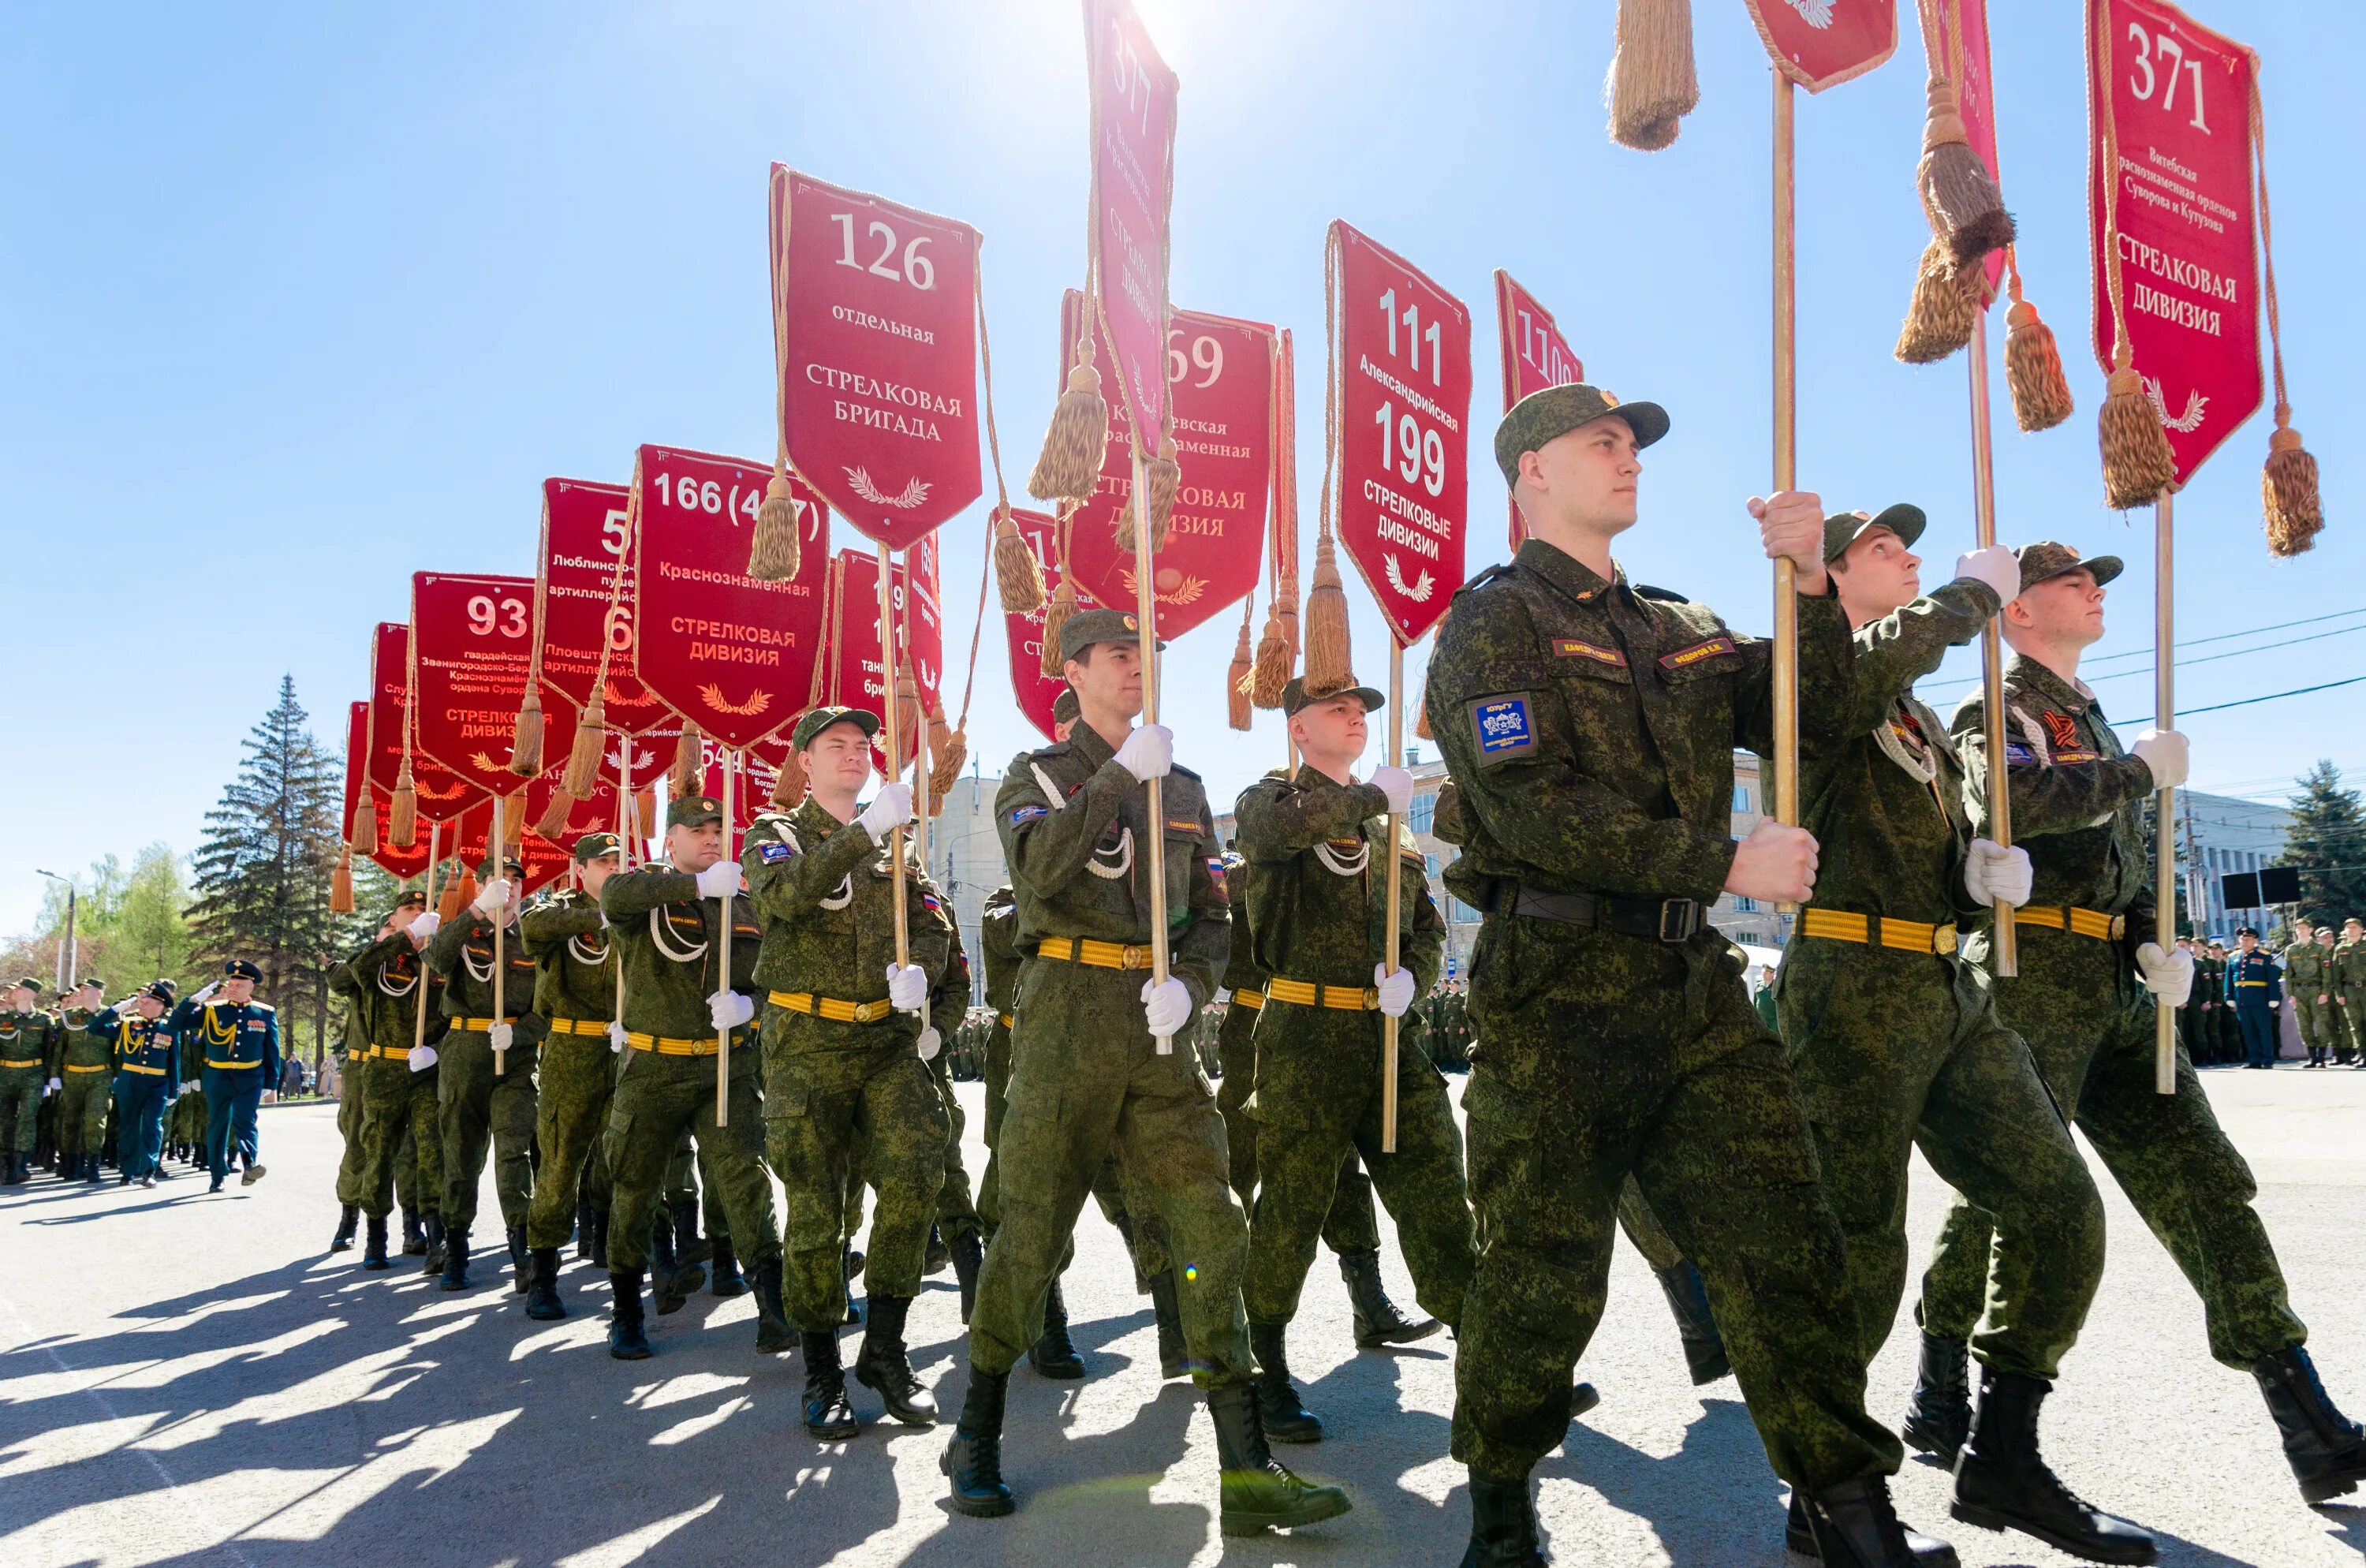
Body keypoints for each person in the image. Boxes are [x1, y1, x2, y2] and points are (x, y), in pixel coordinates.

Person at [1426, 382, 1945, 1567]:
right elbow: (1533, 809)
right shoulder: (1493, 623)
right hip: (1557, 985)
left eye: (1635, 446)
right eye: (1600, 443)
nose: (1628, 460)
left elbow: (1816, 711)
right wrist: (1727, 858)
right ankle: (1501, 1509)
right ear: (1531, 477)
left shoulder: (1682, 624)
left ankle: (1846, 1514)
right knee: (1540, 1268)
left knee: (1788, 1239)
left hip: (1689, 985)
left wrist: (1811, 583)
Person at [1911, 543, 2366, 1508]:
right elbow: (2013, 803)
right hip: (2032, 971)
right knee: (2011, 1197)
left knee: (2206, 1180)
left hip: (2118, 976)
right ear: (2021, 609)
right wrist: (2132, 771)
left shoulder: (2091, 712)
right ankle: (1945, 1381)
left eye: (2100, 580)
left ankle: (2306, 1412)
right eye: (2072, 580)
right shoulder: (1995, 704)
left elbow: (2135, 857)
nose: (2095, 591)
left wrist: (2160, 936)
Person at [1782, 507, 2143, 1559]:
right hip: (1851, 982)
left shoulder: (1922, 720)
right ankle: (1829, 1495)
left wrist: (1981, 882)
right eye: (1886, 551)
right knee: (1860, 1250)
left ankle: (2004, 1457)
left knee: (2059, 1207)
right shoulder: (1815, 673)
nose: (1911, 560)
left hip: (1946, 981)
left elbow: (1936, 834)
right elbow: (1844, 683)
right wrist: (1974, 598)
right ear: (1835, 573)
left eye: (1914, 551)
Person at [942, 607, 1350, 1537]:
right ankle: (977, 1429)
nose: (1140, 668)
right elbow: (1041, 868)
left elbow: (1212, 911)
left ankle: (1246, 1468)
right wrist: (1123, 775)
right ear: (1075, 670)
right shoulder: (1034, 775)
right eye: (1121, 655)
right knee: (1033, 1223)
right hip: (1065, 1018)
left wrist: (1197, 979)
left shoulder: (1189, 785)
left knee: (1210, 1218)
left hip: (1158, 1028)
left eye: (1149, 655)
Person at [1231, 675, 1474, 1443]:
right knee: (1291, 1212)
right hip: (1306, 1043)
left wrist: (1416, 976)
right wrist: (1374, 796)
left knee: (1439, 1198)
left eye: (1363, 710)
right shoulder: (1270, 801)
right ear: (1298, 727)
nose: (1356, 718)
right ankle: (1263, 1370)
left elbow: (1428, 925)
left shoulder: (1389, 830)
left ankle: (1497, 1369)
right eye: (1337, 708)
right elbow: (1276, 834)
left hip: (1390, 1044)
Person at [741, 705, 953, 1436]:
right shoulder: (773, 836)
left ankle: (886, 1349)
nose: (855, 754)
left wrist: (919, 974)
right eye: (837, 745)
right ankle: (821, 1368)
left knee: (919, 1171)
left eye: (864, 745)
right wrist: (864, 831)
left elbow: (931, 922)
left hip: (884, 1041)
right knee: (817, 1207)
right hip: (806, 1043)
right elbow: (786, 896)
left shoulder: (896, 841)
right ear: (804, 760)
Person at [596, 793, 789, 1361]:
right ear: (671, 839)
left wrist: (752, 1005)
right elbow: (613, 895)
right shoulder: (647, 895)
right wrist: (695, 887)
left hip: (723, 1066)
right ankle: (627, 1308)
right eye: (697, 830)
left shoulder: (747, 904)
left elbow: (776, 974)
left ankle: (772, 1303)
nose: (710, 839)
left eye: (718, 830)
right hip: (653, 1068)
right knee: (634, 1187)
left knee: (745, 1179)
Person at [517, 831, 625, 1320]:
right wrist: (600, 914)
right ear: (581, 869)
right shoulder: (559, 908)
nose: (614, 869)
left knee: (624, 1159)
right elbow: (533, 925)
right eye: (604, 863)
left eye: (620, 861)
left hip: (626, 1046)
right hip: (571, 1049)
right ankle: (543, 1272)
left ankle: (621, 1253)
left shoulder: (640, 906)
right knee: (560, 1163)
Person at [425, 851, 543, 1292]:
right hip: (465, 1051)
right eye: (500, 878)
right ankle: (456, 1250)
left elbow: (549, 1006)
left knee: (515, 1151)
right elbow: (435, 959)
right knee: (462, 1155)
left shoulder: (533, 935)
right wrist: (475, 911)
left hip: (515, 1053)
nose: (510, 885)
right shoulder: (465, 929)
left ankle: (522, 1251)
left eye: (516, 879)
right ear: (482, 884)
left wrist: (523, 1032)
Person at [330, 890, 452, 1267]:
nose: (417, 914)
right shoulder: (378, 961)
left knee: (430, 1152)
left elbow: (461, 1011)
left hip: (426, 1069)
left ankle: (434, 1238)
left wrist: (439, 1049)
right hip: (381, 1069)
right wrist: (403, 936)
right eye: (408, 910)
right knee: (377, 1150)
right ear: (394, 919)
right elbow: (346, 976)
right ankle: (373, 1236)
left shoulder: (440, 960)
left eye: (423, 910)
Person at [170, 959, 280, 1193]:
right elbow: (175, 1024)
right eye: (231, 983)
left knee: (245, 1121)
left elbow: (272, 1050)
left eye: (239, 984)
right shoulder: (212, 1010)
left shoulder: (265, 1013)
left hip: (251, 1077)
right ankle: (217, 1175)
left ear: (251, 987)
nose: (233, 987)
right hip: (218, 1075)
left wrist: (271, 1083)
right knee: (218, 1125)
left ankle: (250, 1164)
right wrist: (191, 1001)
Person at [97, 980, 178, 1188]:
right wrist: (120, 1008)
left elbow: (174, 1061)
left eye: (146, 1001)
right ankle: (128, 1171)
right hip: (130, 1082)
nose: (141, 1003)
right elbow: (96, 1027)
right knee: (129, 1127)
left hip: (157, 1084)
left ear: (160, 1005)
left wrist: (174, 1091)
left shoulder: (169, 1028)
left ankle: (149, 1171)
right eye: (141, 1000)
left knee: (153, 1126)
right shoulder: (128, 1024)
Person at [49, 978, 113, 1183]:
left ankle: (93, 1164)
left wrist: (119, 1074)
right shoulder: (68, 1017)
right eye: (81, 989)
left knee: (96, 1119)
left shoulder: (110, 1016)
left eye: (87, 989)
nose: (82, 992)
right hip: (71, 1075)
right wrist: (54, 1074)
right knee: (70, 1120)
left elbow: (118, 1048)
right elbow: (59, 1049)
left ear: (99, 993)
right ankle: (70, 1163)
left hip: (101, 1075)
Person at [2229, 927, 2283, 1070]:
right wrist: (2228, 996)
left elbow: (2272, 978)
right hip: (2241, 998)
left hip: (2260, 998)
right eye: (2242, 939)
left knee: (2263, 1030)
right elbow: (2229, 978)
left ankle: (2267, 1059)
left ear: (2255, 940)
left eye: (2248, 939)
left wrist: (2273, 997)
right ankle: (2254, 1059)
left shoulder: (2264, 956)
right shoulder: (2233, 957)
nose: (2244, 942)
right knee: (2248, 1030)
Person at [2283, 920, 2332, 1070]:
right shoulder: (2291, 950)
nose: (2300, 931)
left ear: (2310, 930)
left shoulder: (2319, 948)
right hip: (2299, 990)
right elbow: (2289, 973)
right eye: (2297, 929)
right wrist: (2291, 993)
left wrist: (2325, 992)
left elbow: (2326, 972)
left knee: (2321, 1022)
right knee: (2304, 1025)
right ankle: (2312, 1057)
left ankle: (2321, 1057)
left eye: (2303, 928)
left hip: (2316, 989)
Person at [2334, 917, 2366, 1067]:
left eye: (2354, 927)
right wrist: (2339, 994)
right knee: (2355, 1024)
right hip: (2350, 990)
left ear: (2361, 929)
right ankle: (2362, 1053)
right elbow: (2336, 975)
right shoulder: (2341, 950)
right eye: (2348, 927)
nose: (2351, 930)